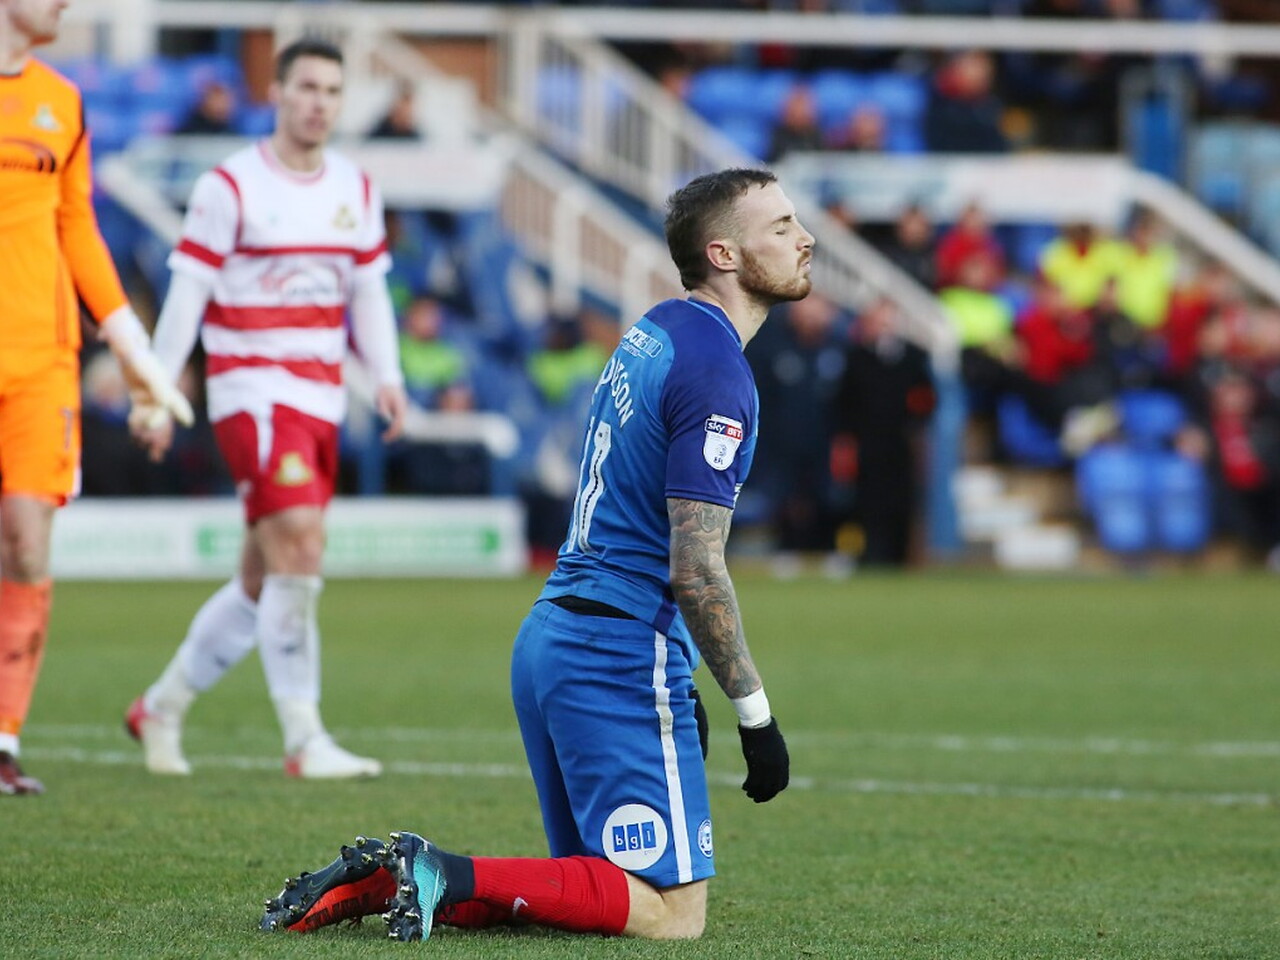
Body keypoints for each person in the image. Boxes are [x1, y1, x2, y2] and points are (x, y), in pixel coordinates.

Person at [258, 167, 804, 941]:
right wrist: (755, 715)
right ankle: (436, 869)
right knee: (673, 916)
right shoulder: (718, 372)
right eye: (781, 226)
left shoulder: (658, 329)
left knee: (589, 896)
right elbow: (695, 566)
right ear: (723, 253)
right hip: (616, 652)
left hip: (557, 637)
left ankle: (394, 882)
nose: (804, 239)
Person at [123, 39, 407, 779]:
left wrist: (387, 374)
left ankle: (160, 708)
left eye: (332, 91)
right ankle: (304, 739)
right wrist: (157, 390)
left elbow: (369, 290)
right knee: (302, 547)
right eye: (306, 87)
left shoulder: (355, 188)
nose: (319, 102)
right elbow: (187, 292)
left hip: (320, 397)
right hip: (251, 392)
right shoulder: (230, 187)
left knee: (263, 577)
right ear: (276, 94)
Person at [0, 0, 193, 796]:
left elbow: (77, 228)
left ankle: (3, 739)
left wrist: (134, 350)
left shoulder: (62, 101)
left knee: (27, 544)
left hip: (42, 362)